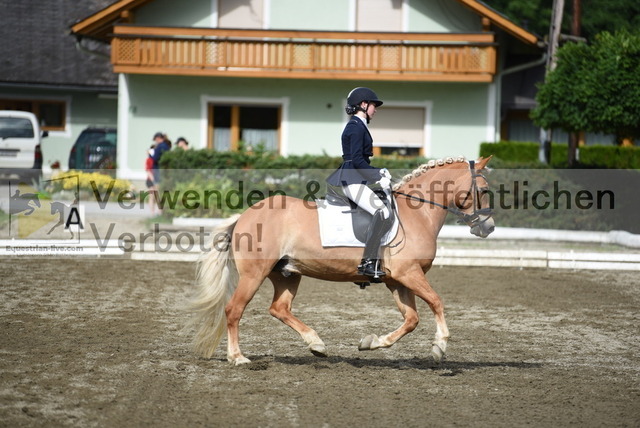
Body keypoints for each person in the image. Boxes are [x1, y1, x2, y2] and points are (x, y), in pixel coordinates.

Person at [326, 87, 393, 279]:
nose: (375, 110)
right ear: (363, 105)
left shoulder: (359, 125)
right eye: (373, 105)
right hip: (352, 179)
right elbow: (356, 160)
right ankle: (368, 262)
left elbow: (361, 161)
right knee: (382, 212)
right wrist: (377, 176)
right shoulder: (355, 127)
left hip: (356, 178)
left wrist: (379, 171)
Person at [145, 145, 159, 215]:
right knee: (152, 196)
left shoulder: (157, 160)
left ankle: (159, 211)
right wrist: (153, 179)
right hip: (150, 180)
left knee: (158, 196)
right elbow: (148, 170)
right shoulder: (149, 160)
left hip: (157, 179)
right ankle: (152, 212)